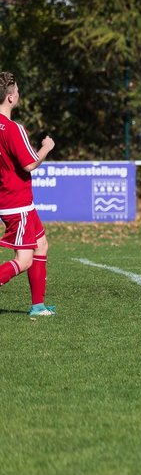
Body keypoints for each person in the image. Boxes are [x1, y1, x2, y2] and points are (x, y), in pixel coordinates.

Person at [0, 72, 57, 317]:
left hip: (16, 201)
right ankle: (37, 307)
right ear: (11, 98)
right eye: (18, 91)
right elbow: (30, 164)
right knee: (24, 260)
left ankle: (38, 306)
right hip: (17, 203)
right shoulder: (13, 129)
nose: (19, 94)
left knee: (41, 245)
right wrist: (46, 147)